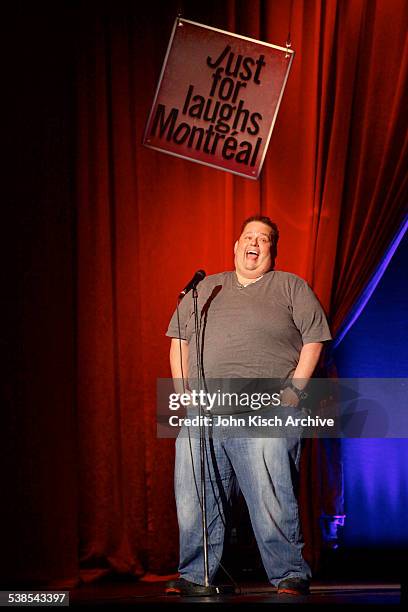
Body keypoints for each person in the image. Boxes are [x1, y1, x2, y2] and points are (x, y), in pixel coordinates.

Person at [164, 215, 332, 596]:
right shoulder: (206, 289)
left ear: (272, 250)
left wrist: (296, 390)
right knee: (195, 493)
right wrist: (183, 390)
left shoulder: (290, 286)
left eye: (264, 239)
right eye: (248, 237)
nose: (254, 243)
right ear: (236, 246)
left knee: (271, 493)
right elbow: (178, 340)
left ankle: (289, 572)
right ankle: (196, 574)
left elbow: (314, 338)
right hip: (206, 409)